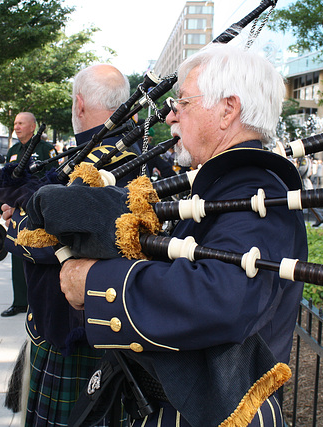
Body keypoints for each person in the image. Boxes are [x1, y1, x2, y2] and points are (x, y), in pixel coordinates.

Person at [57, 44, 308, 426]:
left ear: (228, 109)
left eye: (184, 102)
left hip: (215, 414)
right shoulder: (226, 183)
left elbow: (221, 296)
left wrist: (93, 280)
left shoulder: (255, 191)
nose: (172, 113)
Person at [0, 63, 136, 426]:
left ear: (78, 104)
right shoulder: (125, 155)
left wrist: (19, 219)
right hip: (102, 328)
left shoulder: (100, 163)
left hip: (76, 334)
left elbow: (37, 235)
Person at [0, 113, 56, 318]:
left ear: (33, 126)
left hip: (38, 210)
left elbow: (54, 177)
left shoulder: (45, 150)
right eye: (15, 123)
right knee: (16, 253)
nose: (16, 126)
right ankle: (19, 302)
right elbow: (5, 181)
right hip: (16, 210)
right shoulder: (14, 151)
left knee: (38, 255)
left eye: (21, 123)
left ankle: (37, 303)